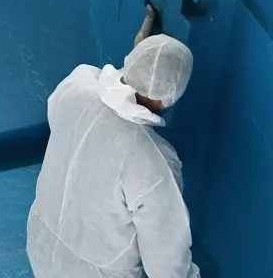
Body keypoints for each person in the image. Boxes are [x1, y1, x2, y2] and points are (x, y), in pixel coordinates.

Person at [27, 33, 200, 278]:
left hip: (41, 244)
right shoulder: (153, 159)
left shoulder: (77, 86)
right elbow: (166, 261)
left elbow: (62, 118)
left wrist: (145, 61)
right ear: (172, 96)